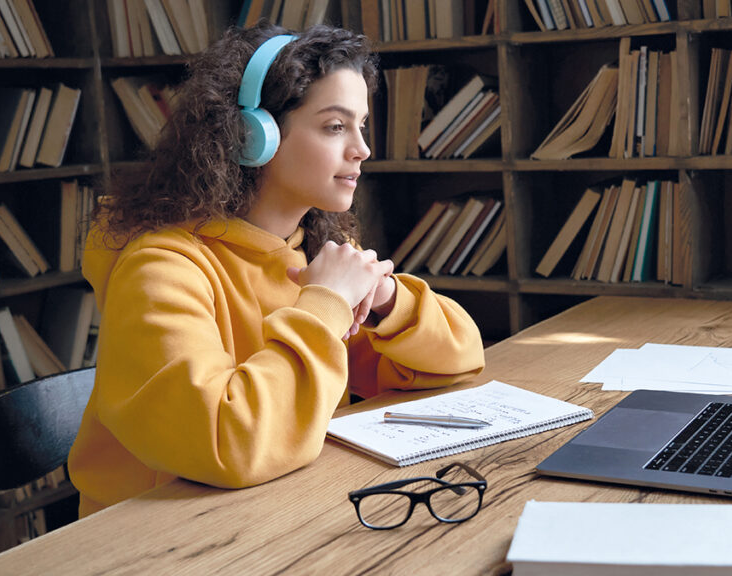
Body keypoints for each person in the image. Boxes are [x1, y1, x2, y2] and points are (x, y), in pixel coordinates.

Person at [67, 22, 486, 517]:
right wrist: (326, 306)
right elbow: (228, 441)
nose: (362, 149)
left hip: (278, 507)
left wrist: (388, 301)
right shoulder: (160, 268)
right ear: (252, 136)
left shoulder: (316, 251)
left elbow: (459, 358)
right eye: (335, 126)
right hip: (159, 539)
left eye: (362, 126)